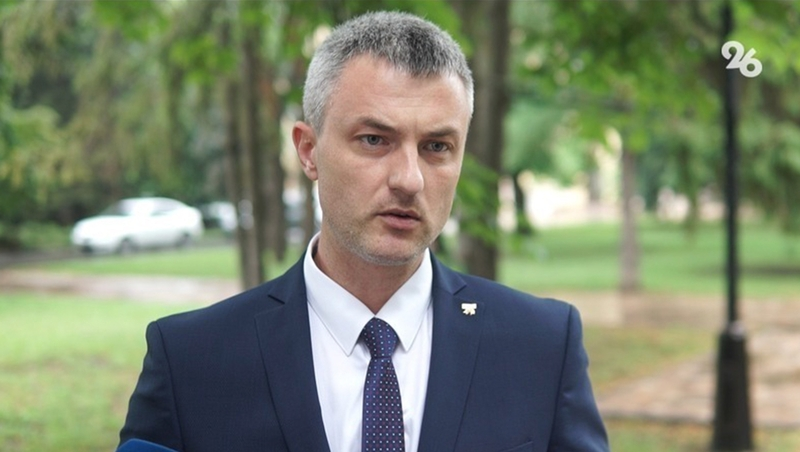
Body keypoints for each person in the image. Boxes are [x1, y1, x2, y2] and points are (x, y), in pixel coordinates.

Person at [119, 11, 609, 452]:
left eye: (437, 147)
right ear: (309, 151)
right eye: (374, 139)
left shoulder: (542, 345)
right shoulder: (191, 361)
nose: (409, 179)